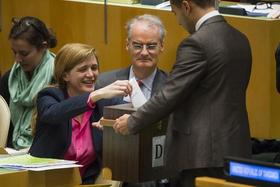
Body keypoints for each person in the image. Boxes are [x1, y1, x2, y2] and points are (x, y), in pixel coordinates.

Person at [113, 0, 252, 186]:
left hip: (200, 155)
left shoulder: (197, 43)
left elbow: (169, 94)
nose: (178, 21)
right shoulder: (241, 39)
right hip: (236, 150)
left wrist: (132, 122)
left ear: (186, 6)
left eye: (175, 13)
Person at [29, 43, 132, 184]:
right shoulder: (49, 96)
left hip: (86, 181)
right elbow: (53, 113)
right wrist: (94, 96)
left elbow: (134, 121)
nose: (91, 74)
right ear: (65, 75)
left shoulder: (105, 102)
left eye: (94, 68)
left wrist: (116, 126)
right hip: (46, 181)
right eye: (83, 69)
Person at [94, 14, 168, 187]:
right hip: (111, 170)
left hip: (156, 173)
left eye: (151, 46)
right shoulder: (104, 83)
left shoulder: (172, 87)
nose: (144, 52)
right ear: (127, 45)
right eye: (137, 45)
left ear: (162, 47)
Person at [0, 16, 57, 150]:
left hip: (48, 151)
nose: (18, 59)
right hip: (11, 152)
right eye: (14, 53)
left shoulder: (59, 77)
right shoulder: (8, 78)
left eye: (24, 53)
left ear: (43, 47)